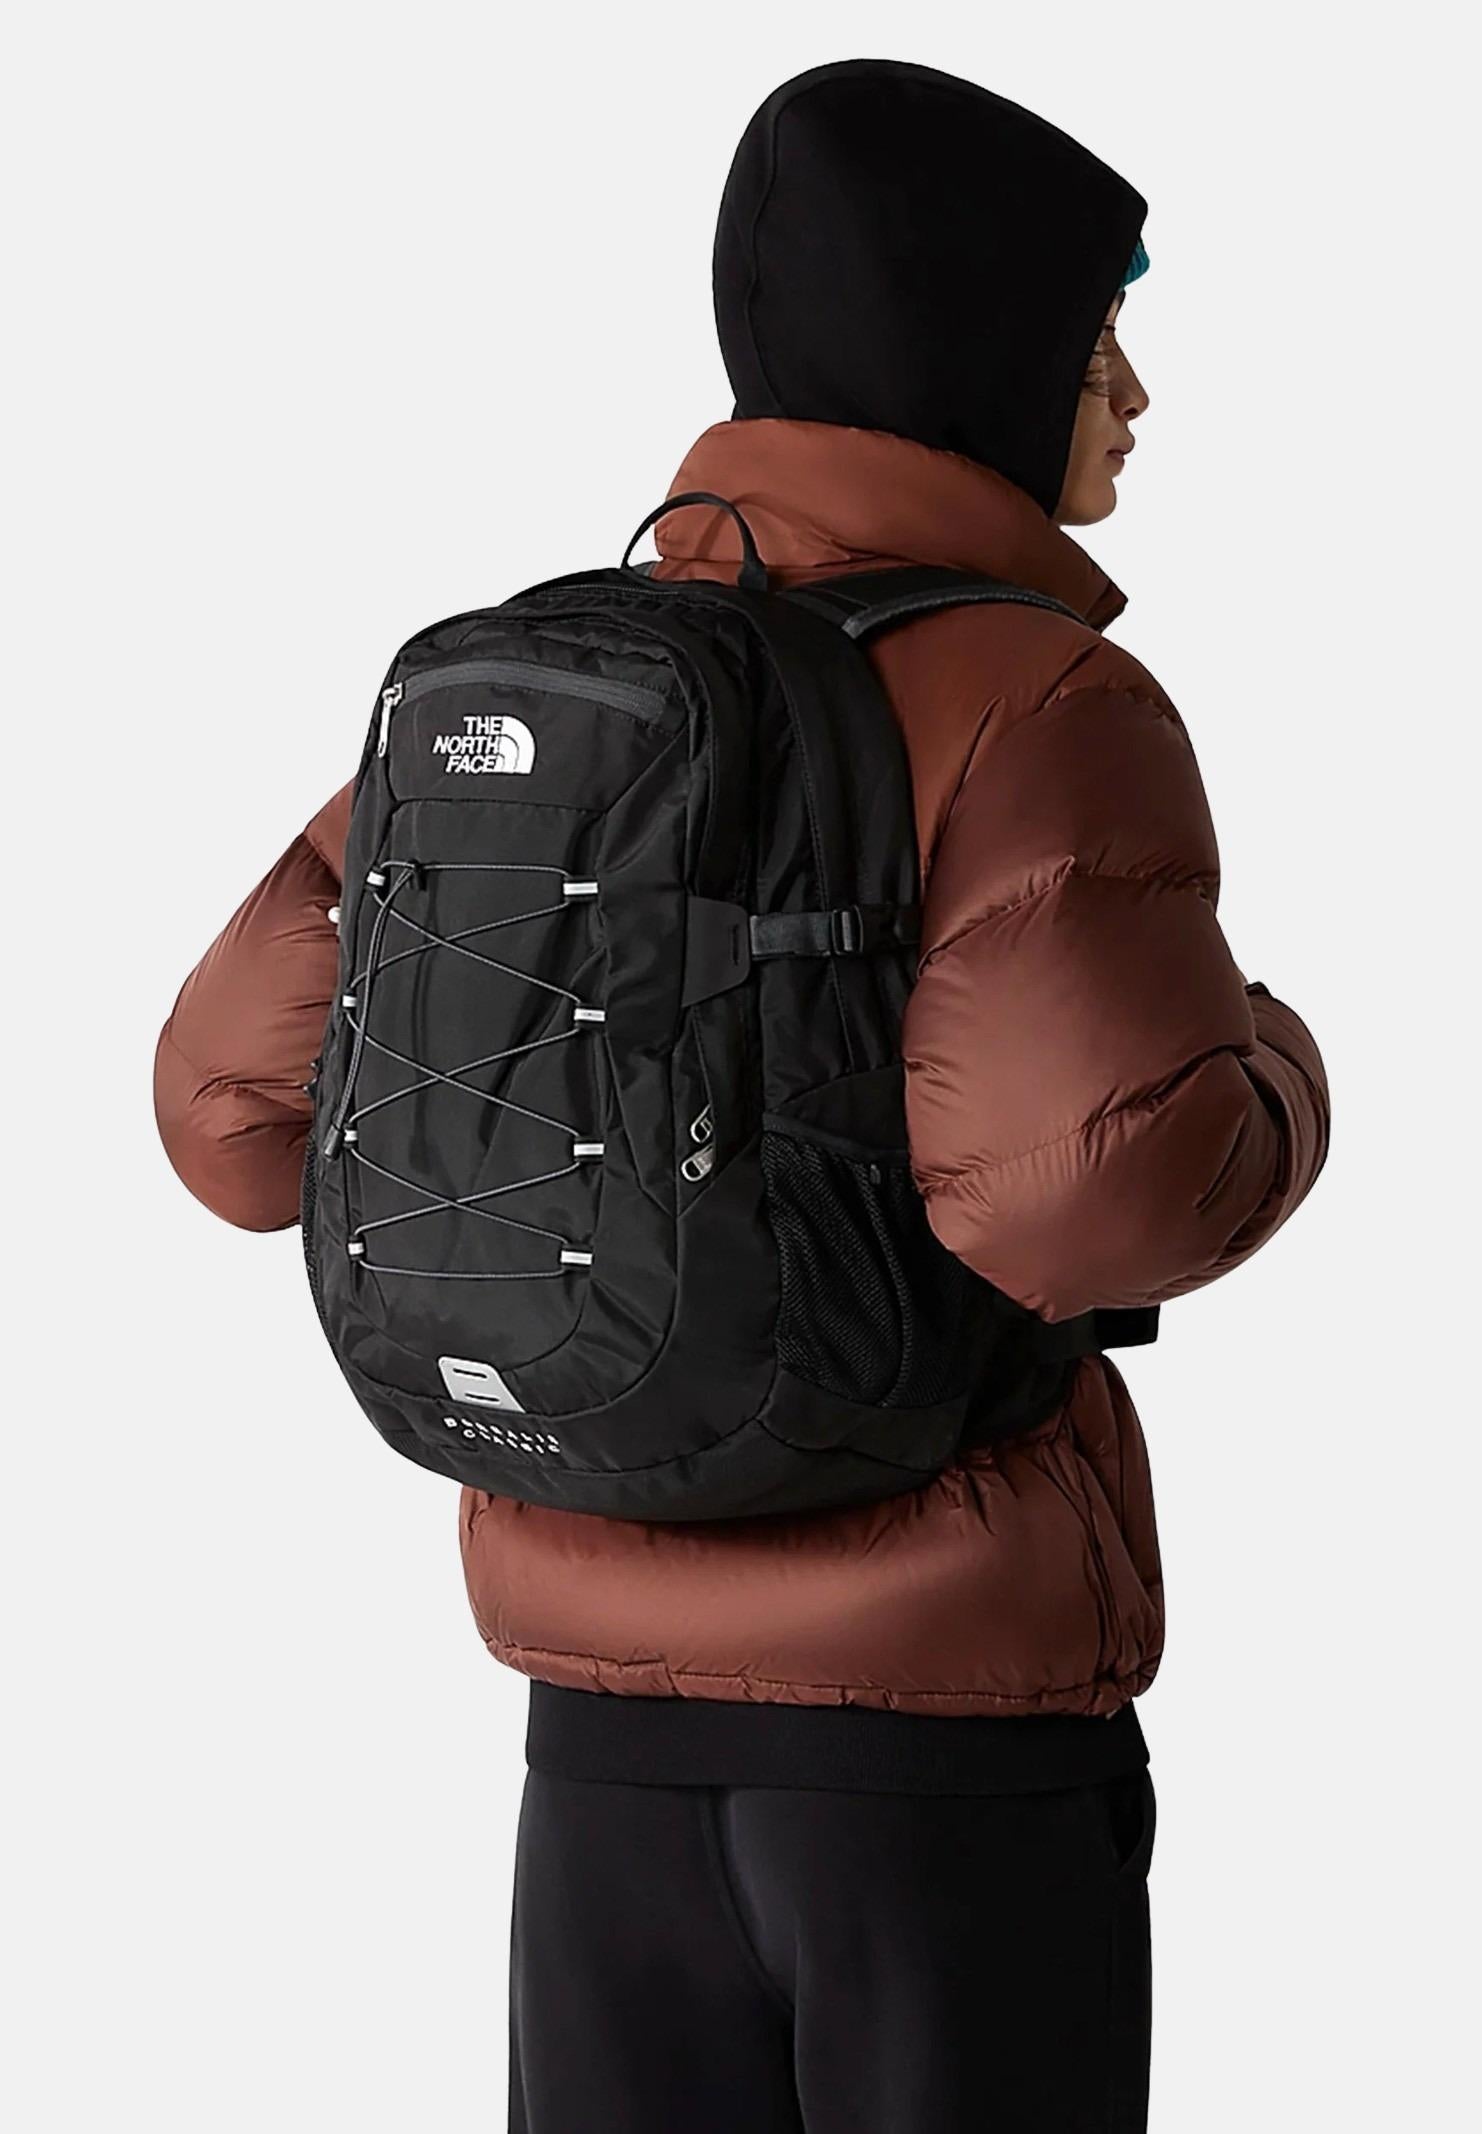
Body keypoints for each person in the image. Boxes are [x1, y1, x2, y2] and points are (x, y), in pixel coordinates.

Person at [155, 58, 1329, 2134]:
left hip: (596, 1751)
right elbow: (1094, 1193)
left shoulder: (550, 687)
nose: (1135, 393)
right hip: (939, 1748)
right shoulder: (1038, 695)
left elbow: (228, 1117)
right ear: (977, 340)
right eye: (1100, 332)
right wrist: (1281, 1064)